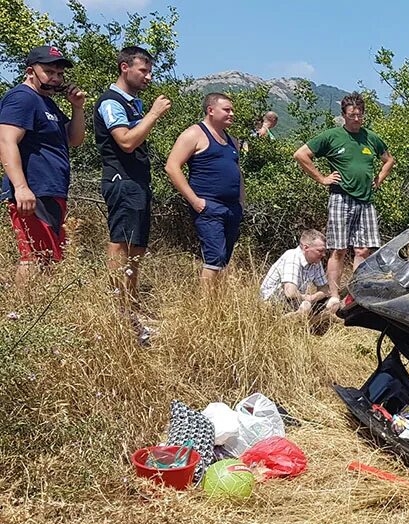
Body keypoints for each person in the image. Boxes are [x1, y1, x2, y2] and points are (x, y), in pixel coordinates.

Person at [94, 46, 171, 343]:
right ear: (125, 67)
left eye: (150, 71)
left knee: (136, 247)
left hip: (137, 181)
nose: (149, 77)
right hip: (121, 180)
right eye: (143, 71)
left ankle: (131, 309)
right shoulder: (111, 102)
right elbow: (125, 142)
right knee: (121, 245)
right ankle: (118, 312)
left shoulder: (132, 103)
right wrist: (152, 114)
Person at [293, 93, 394, 302]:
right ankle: (334, 295)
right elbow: (300, 154)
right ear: (344, 115)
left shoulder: (371, 137)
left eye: (359, 115)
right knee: (339, 249)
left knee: (363, 249)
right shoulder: (332, 136)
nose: (356, 119)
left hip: (365, 200)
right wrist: (322, 178)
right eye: (352, 115)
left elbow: (389, 160)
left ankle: (355, 295)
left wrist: (379, 179)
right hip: (341, 197)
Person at [0, 45, 85, 290]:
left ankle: (38, 310)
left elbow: (75, 139)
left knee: (49, 256)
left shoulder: (47, 103)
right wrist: (21, 187)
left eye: (59, 74)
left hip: (52, 190)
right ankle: (23, 315)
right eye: (49, 72)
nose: (56, 78)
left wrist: (77, 107)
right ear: (30, 71)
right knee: (33, 256)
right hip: (33, 191)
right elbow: (6, 141)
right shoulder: (22, 98)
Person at [164, 93, 244, 284]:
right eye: (227, 110)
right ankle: (207, 311)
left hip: (232, 208)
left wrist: (242, 202)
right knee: (214, 258)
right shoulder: (194, 134)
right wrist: (195, 201)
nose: (232, 114)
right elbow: (172, 166)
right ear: (210, 110)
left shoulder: (232, 140)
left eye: (232, 110)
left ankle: (218, 307)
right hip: (209, 206)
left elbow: (237, 172)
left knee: (224, 260)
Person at [260, 229, 332, 330]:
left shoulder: (316, 261)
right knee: (306, 306)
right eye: (320, 251)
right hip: (274, 300)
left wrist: (313, 297)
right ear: (306, 248)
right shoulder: (292, 257)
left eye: (324, 251)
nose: (323, 254)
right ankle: (281, 326)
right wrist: (308, 298)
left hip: (297, 300)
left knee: (333, 303)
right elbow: (290, 293)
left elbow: (325, 289)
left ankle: (306, 325)